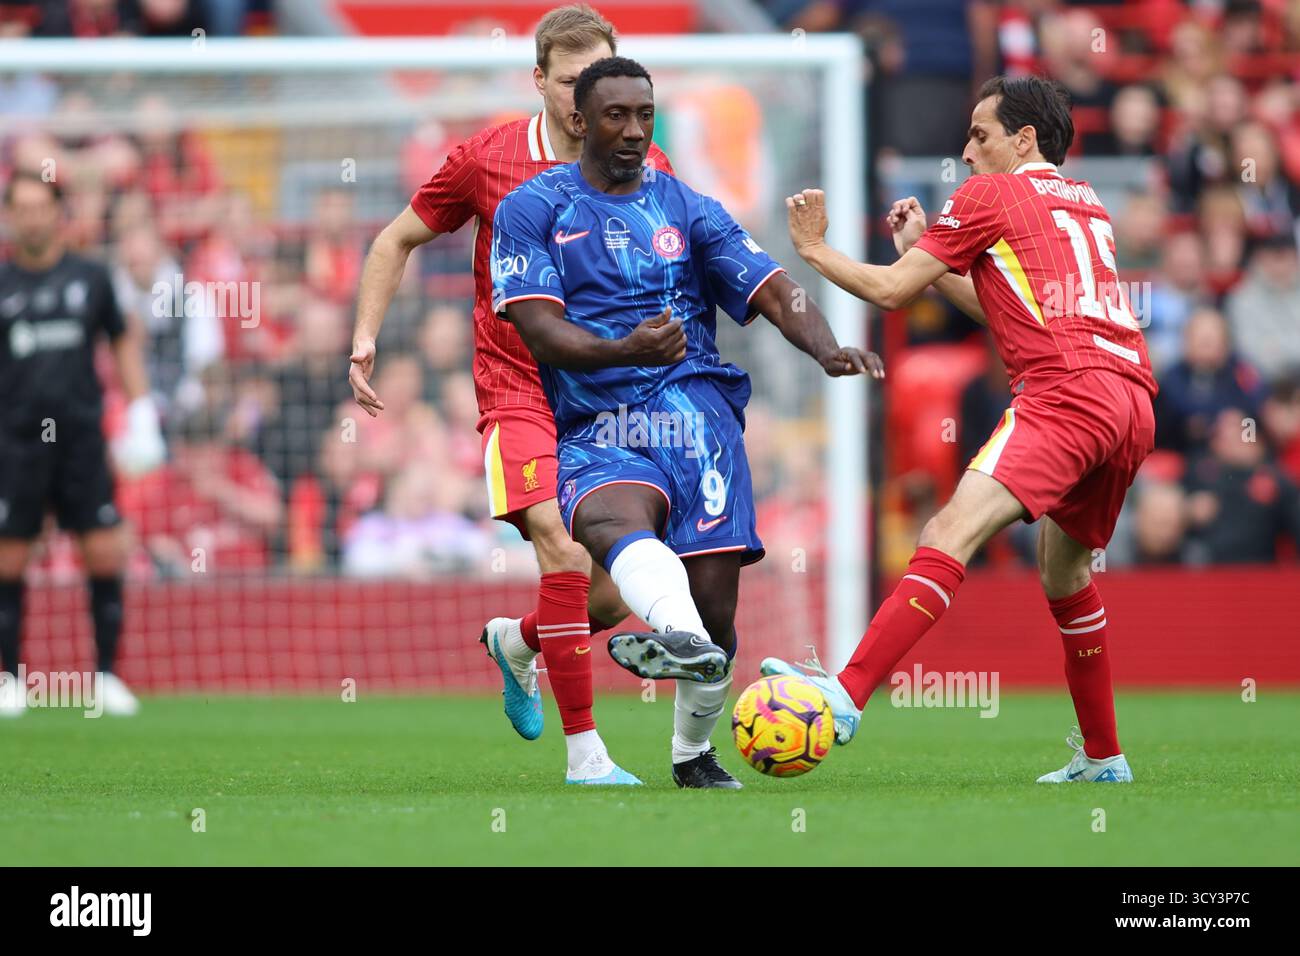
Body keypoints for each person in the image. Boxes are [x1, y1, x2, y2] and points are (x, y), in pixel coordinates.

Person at [493, 56, 881, 788]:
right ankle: (675, 636)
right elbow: (539, 330)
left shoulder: (687, 206)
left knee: (718, 619)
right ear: (580, 121)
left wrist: (828, 349)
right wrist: (623, 348)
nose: (636, 130)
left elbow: (771, 286)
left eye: (645, 115)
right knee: (611, 521)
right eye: (617, 116)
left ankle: (690, 753)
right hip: (598, 424)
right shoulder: (535, 207)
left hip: (699, 421)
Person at [764, 74, 1158, 784]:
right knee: (1066, 573)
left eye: (980, 135)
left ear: (1024, 138)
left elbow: (889, 290)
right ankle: (1104, 758)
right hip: (1130, 399)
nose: (967, 153)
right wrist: (928, 248)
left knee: (946, 534)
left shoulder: (988, 194)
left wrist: (814, 249)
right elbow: (1010, 306)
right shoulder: (1087, 201)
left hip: (1065, 393)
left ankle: (845, 697)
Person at [348, 5, 675, 784]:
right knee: (559, 544)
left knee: (623, 583)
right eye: (569, 82)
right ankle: (586, 755)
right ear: (539, 80)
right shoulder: (488, 159)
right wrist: (366, 335)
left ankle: (519, 642)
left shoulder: (646, 162)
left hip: (610, 398)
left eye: (597, 81)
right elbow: (395, 239)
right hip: (517, 387)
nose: (582, 98)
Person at [0, 171, 165, 717]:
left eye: (39, 206)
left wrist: (141, 413)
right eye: (20, 207)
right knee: (8, 557)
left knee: (102, 549)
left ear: (58, 214)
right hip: (15, 443)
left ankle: (107, 678)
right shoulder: (2, 284)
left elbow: (122, 343)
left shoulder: (91, 278)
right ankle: (9, 680)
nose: (30, 216)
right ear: (10, 216)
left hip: (80, 441)